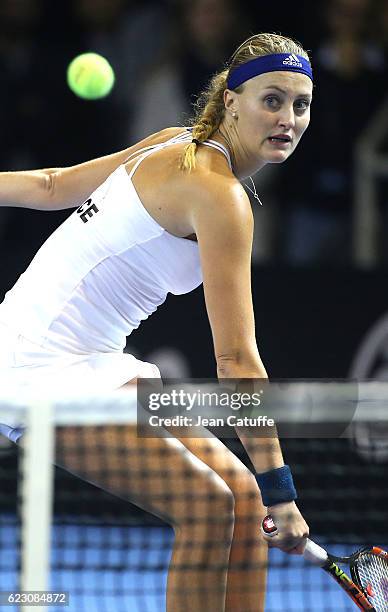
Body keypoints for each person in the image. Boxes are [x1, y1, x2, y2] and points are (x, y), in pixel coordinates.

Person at [0, 33, 312, 611]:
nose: (287, 118)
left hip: (97, 360)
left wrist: (265, 492)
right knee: (208, 506)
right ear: (231, 101)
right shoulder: (220, 196)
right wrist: (284, 491)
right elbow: (237, 361)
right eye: (272, 99)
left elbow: (50, 187)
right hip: (34, 366)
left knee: (243, 499)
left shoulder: (176, 143)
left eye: (300, 104)